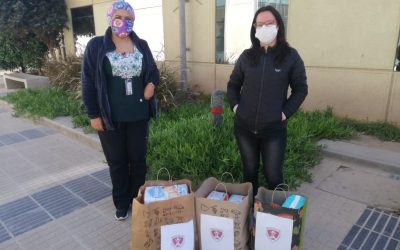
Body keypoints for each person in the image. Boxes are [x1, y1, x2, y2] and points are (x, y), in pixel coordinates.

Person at [81, 0, 159, 221]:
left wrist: (151, 85)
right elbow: (87, 81)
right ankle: (121, 202)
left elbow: (153, 71)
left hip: (139, 115)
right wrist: (93, 114)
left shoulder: (141, 44)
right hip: (109, 117)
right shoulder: (96, 46)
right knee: (117, 161)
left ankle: (137, 199)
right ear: (110, 18)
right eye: (119, 17)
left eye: (128, 19)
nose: (123, 22)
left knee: (138, 159)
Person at [227, 6, 308, 192]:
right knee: (249, 173)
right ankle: (250, 215)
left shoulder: (291, 57)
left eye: (269, 23)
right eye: (260, 24)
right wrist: (237, 108)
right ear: (254, 28)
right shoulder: (247, 57)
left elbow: (300, 90)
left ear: (278, 25)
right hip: (244, 128)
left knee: (274, 176)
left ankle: (278, 217)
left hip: (273, 130)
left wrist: (284, 113)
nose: (264, 28)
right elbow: (232, 86)